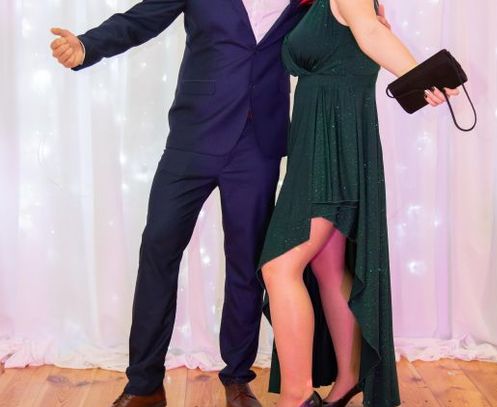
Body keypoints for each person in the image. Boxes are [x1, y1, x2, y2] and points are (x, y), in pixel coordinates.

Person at [49, 1, 392, 406]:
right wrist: (87, 46)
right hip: (193, 136)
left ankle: (237, 380)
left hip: (258, 145)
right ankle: (144, 384)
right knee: (158, 250)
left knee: (246, 264)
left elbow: (340, 30)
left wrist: (372, 27)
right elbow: (142, 19)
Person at [258, 0, 459, 406]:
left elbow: (371, 34)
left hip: (330, 141)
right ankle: (348, 379)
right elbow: (367, 31)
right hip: (321, 138)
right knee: (327, 266)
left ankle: (297, 397)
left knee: (280, 267)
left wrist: (422, 78)